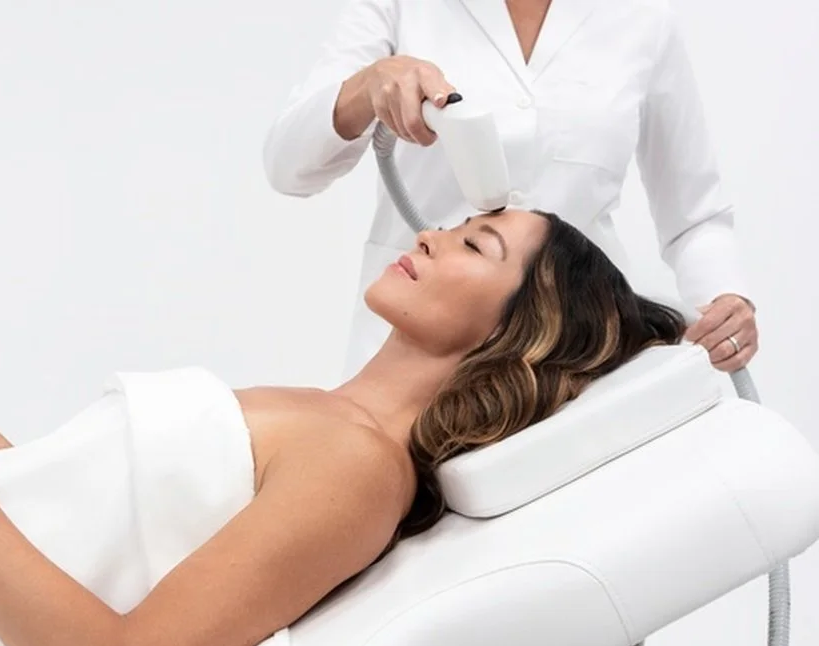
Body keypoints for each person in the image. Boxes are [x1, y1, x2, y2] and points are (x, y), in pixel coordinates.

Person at [0, 209, 685, 646]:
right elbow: (136, 539)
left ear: (517, 329)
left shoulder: (360, 467)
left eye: (476, 243)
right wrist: (17, 468)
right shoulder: (329, 418)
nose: (431, 233)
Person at [262, 0, 759, 379]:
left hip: (579, 354)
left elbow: (695, 216)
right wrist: (367, 86)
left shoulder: (643, 19)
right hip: (418, 351)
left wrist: (724, 300)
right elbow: (290, 167)